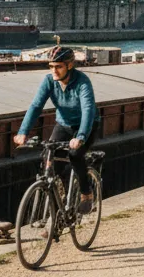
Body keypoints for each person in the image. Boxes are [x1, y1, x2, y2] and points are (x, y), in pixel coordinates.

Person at [14, 46, 100, 213]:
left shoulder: (82, 82)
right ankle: (57, 213)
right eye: (51, 66)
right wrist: (23, 132)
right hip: (64, 124)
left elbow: (88, 110)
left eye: (58, 66)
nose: (54, 70)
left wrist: (81, 136)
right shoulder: (49, 81)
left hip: (85, 125)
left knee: (75, 155)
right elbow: (36, 106)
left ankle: (86, 193)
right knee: (50, 160)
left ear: (69, 66)